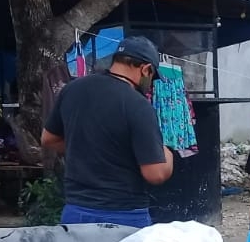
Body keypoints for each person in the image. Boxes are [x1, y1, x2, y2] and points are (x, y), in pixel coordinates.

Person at [41, 36, 173, 226]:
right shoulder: (137, 104)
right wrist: (167, 153)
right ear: (145, 69)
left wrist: (88, 148)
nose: (150, 83)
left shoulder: (73, 89)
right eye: (151, 76)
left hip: (76, 212)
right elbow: (156, 174)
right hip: (124, 216)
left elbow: (48, 139)